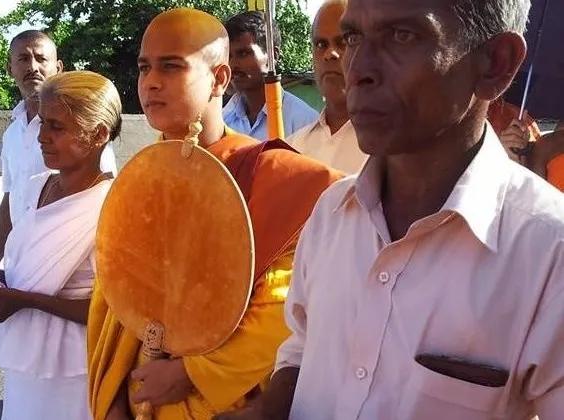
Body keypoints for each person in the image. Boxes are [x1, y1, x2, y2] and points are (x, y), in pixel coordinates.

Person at [218, 0, 564, 419]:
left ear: (495, 63)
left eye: (403, 36)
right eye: (353, 38)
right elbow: (302, 348)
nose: (357, 69)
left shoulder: (548, 252)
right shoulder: (330, 212)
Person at [87, 8, 342, 420]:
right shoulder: (139, 181)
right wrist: (112, 398)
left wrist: (192, 372)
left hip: (223, 402)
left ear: (219, 78)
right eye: (144, 67)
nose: (150, 82)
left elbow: (282, 305)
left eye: (171, 66)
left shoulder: (276, 177)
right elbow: (115, 300)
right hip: (139, 396)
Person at [0, 70, 120, 420]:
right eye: (42, 124)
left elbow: (110, 310)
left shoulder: (114, 205)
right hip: (24, 361)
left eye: (57, 127)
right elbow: (30, 273)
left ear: (97, 134)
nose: (42, 137)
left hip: (74, 368)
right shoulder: (37, 187)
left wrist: (21, 301)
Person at [0, 30, 117, 272]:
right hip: (22, 267)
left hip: (75, 269)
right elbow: (10, 200)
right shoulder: (12, 134)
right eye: (23, 59)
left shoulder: (84, 132)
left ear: (58, 67)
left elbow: (101, 202)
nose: (33, 67)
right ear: (9, 69)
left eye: (41, 58)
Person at [287, 0, 366, 173]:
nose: (330, 54)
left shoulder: (392, 148)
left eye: (343, 42)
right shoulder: (292, 148)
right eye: (321, 44)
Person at [223, 11, 318, 140]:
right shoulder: (222, 120)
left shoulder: (304, 122)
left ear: (273, 55)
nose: (233, 64)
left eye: (243, 53)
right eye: (229, 56)